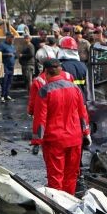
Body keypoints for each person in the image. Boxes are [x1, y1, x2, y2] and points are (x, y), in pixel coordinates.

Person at [31, 59, 91, 195]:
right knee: (71, 175)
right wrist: (86, 133)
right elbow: (83, 114)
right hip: (75, 139)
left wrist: (36, 142)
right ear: (61, 71)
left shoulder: (44, 91)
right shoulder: (75, 88)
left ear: (45, 72)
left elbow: (40, 120)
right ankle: (69, 202)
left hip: (54, 141)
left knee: (55, 176)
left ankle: (58, 206)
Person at [0, 34, 16, 103]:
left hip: (11, 66)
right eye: (12, 39)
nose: (13, 41)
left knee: (9, 81)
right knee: (4, 81)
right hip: (5, 66)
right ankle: (2, 96)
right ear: (8, 38)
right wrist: (7, 55)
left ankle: (7, 95)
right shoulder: (2, 45)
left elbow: (14, 53)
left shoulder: (12, 46)